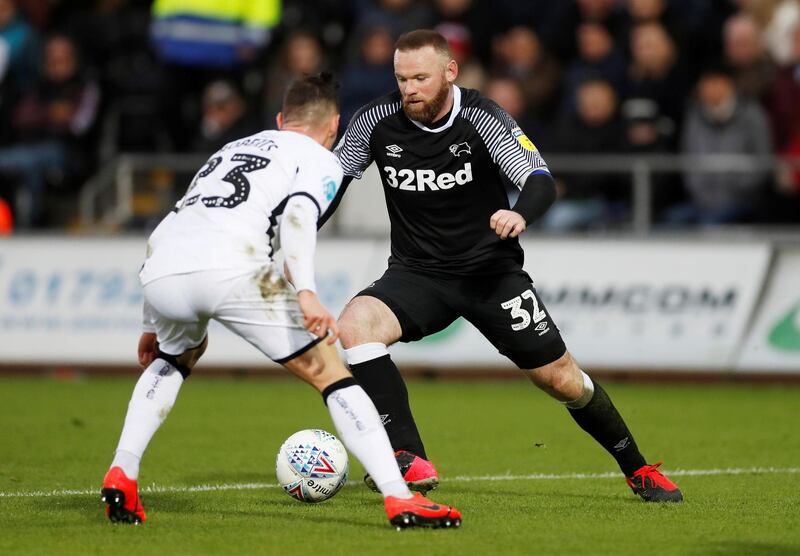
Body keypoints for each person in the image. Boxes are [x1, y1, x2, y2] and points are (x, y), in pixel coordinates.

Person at [328, 29, 683, 502]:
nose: (409, 89)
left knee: (561, 379)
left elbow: (539, 178)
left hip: (490, 276)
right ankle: (409, 458)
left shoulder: (483, 118)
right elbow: (331, 182)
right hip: (417, 274)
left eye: (420, 78)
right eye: (401, 79)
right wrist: (291, 227)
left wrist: (520, 213)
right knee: (354, 326)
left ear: (450, 72)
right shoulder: (376, 120)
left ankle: (637, 467)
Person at [100, 73, 461, 530]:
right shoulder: (320, 158)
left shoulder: (229, 150)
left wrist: (152, 321)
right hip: (233, 267)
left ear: (279, 119)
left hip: (162, 270)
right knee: (331, 373)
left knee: (177, 354)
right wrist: (306, 291)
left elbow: (170, 228)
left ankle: (123, 471)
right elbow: (298, 215)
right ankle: (399, 497)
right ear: (333, 125)